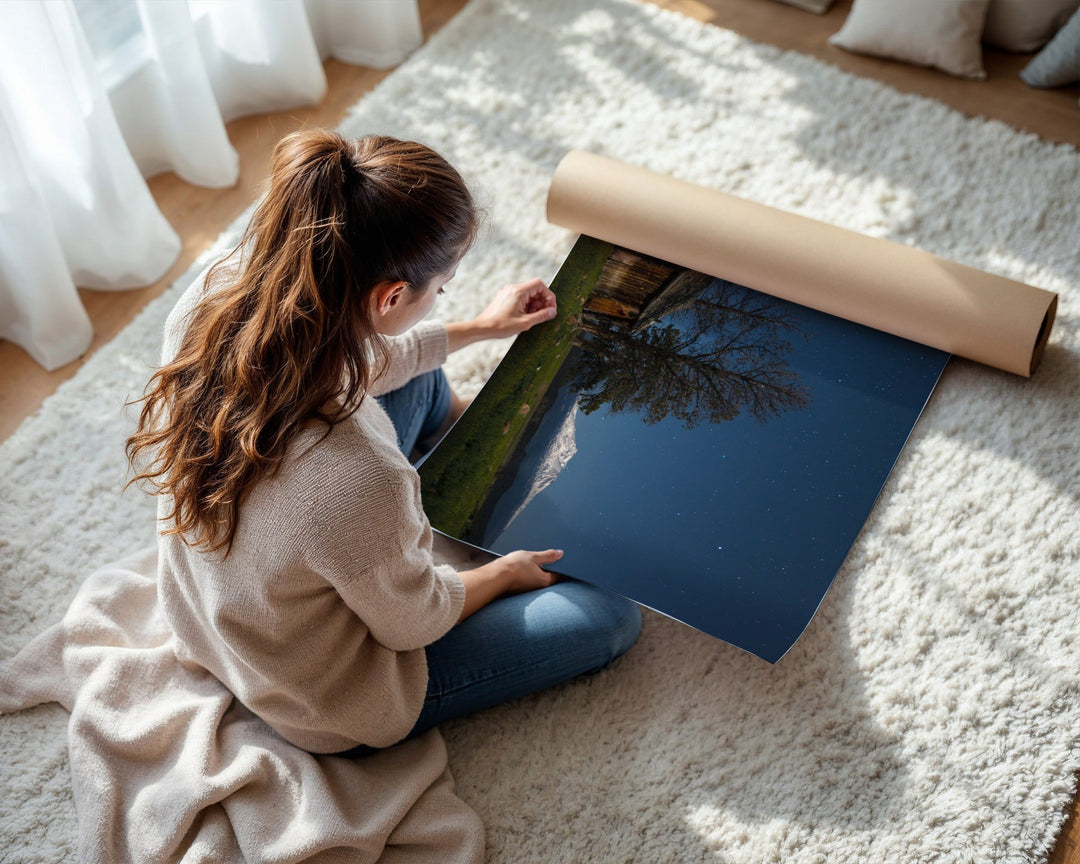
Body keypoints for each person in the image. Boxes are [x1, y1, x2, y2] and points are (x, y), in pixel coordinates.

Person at [126, 129, 641, 757]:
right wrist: (505, 573)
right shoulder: (358, 475)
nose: (442, 298)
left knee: (421, 379)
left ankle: (458, 469)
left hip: (217, 610)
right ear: (392, 295)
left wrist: (482, 327)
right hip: (320, 693)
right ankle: (441, 515)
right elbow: (413, 622)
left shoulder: (221, 289)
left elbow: (367, 359)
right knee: (609, 618)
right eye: (442, 289)